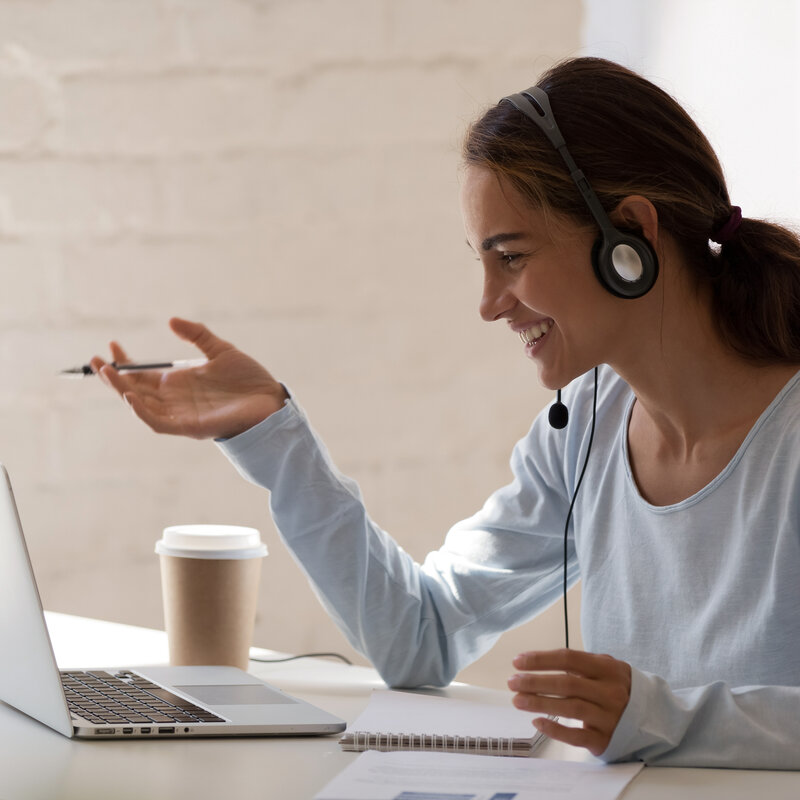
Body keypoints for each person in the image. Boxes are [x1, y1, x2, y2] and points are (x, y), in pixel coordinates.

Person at [90, 57, 800, 769]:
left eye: (512, 257)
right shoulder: (586, 425)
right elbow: (421, 638)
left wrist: (659, 715)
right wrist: (272, 436)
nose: (490, 303)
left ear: (631, 237)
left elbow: (666, 720)